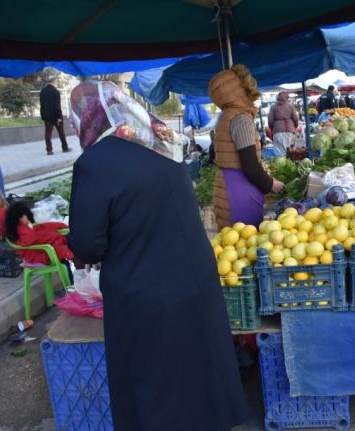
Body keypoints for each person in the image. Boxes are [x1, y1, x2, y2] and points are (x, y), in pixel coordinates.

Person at [66, 80, 247, 431]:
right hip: (196, 281)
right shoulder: (161, 143)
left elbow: (87, 245)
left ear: (88, 117)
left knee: (156, 387)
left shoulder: (95, 163)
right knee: (200, 372)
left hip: (146, 292)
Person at [209, 65, 285, 228]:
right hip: (240, 192)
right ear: (240, 89)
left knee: (232, 243)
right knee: (245, 243)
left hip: (227, 186)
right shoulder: (241, 119)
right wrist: (271, 184)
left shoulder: (226, 116)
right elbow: (250, 166)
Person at [39, 76, 71, 155]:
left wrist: (43, 115)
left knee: (48, 133)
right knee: (61, 132)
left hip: (47, 116)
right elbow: (57, 106)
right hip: (55, 116)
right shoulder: (55, 91)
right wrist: (59, 117)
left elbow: (42, 105)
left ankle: (49, 150)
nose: (56, 83)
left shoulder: (42, 91)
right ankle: (65, 148)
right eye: (56, 82)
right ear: (54, 81)